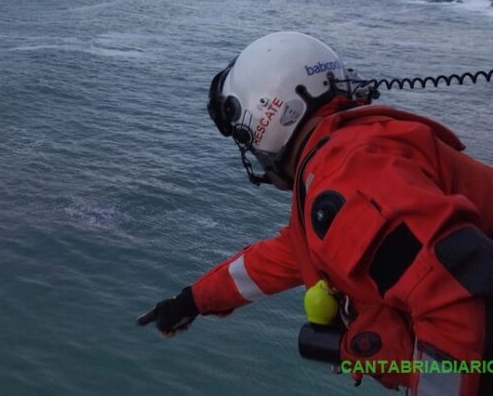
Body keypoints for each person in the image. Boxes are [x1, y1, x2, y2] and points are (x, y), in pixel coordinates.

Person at [139, 32, 493, 395]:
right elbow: (271, 262)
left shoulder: (345, 179)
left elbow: (453, 284)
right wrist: (192, 301)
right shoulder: (347, 154)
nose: (253, 153)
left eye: (246, 138)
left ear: (267, 118)